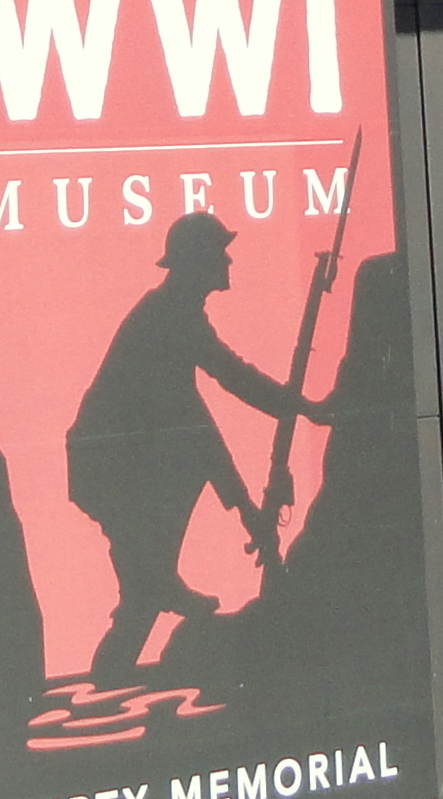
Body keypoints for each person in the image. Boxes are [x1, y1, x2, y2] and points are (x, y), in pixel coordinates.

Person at [68, 211, 322, 676]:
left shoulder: (178, 314)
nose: (227, 261)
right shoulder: (167, 321)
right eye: (219, 252)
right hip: (111, 469)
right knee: (144, 593)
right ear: (198, 262)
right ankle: (154, 596)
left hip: (120, 466)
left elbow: (221, 389)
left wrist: (297, 406)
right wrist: (248, 509)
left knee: (142, 595)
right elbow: (203, 428)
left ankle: (157, 591)